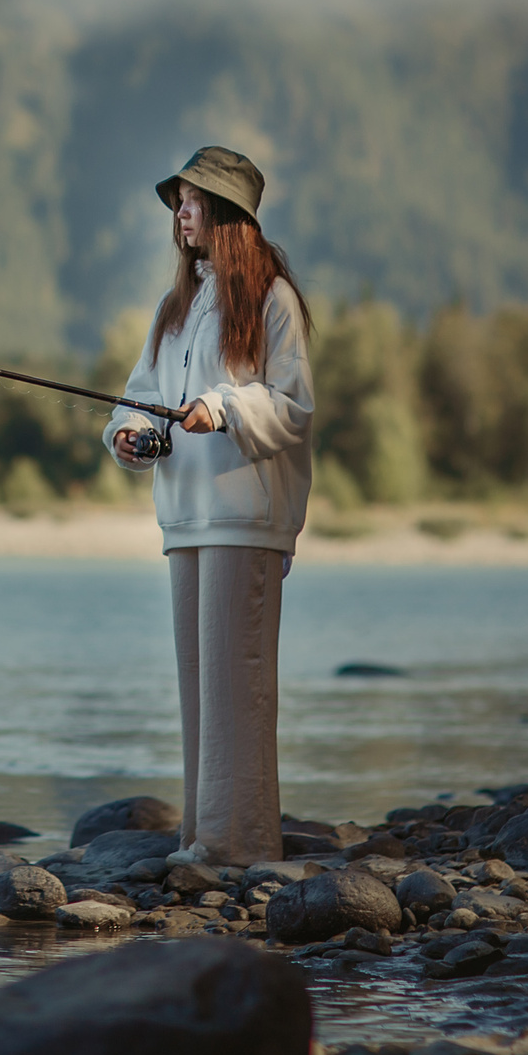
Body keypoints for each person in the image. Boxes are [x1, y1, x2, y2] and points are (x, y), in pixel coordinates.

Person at [102, 146, 314, 866]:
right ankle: (201, 837)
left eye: (190, 200)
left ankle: (240, 846)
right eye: (178, 200)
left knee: (237, 687)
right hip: (184, 519)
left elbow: (294, 408)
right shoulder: (177, 307)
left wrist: (221, 409)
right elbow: (134, 395)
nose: (179, 212)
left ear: (227, 214)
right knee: (201, 690)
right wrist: (129, 436)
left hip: (243, 520)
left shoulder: (273, 301)